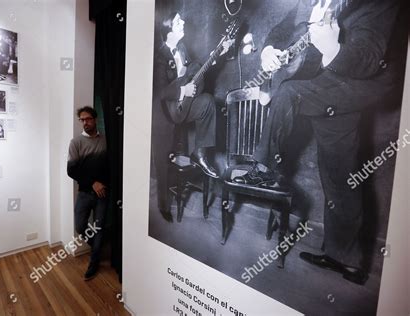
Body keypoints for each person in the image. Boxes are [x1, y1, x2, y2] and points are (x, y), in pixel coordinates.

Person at [237, 0, 405, 285]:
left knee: (289, 92)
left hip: (364, 83)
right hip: (328, 82)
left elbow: (370, 56)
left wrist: (332, 48)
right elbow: (286, 26)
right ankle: (345, 258)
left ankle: (263, 170)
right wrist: (268, 49)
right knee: (340, 169)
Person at [152, 11, 231, 221]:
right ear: (168, 29)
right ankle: (163, 207)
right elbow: (158, 92)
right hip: (162, 114)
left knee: (207, 102)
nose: (183, 22)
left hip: (182, 108)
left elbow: (194, 70)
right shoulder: (158, 56)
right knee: (162, 162)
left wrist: (217, 54)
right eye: (178, 21)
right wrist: (182, 92)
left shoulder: (183, 49)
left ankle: (200, 152)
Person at [67, 106, 108, 280]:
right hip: (85, 193)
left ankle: (94, 261)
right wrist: (93, 183)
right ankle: (96, 246)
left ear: (95, 119)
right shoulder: (76, 142)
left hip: (103, 194)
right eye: (82, 120)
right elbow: (72, 171)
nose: (85, 122)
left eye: (88, 119)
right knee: (80, 226)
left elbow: (110, 167)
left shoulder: (105, 141)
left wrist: (103, 184)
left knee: (98, 228)